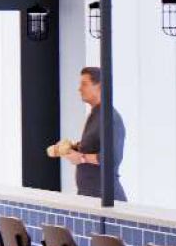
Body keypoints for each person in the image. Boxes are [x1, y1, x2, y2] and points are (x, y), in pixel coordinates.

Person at [47, 65, 126, 201]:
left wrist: (81, 157)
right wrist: (73, 147)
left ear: (99, 86)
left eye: (84, 84)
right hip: (89, 196)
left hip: (105, 199)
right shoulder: (95, 114)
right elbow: (94, 145)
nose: (79, 89)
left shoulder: (110, 118)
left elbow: (110, 158)